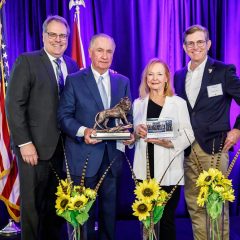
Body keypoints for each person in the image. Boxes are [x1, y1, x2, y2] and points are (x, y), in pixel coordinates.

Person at [5, 15, 79, 240]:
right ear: (44, 36)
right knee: (33, 206)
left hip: (64, 148)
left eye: (63, 36)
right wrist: (24, 143)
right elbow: (13, 104)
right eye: (53, 35)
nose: (58, 40)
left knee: (57, 205)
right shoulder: (28, 61)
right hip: (33, 148)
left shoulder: (72, 64)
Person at [57, 33, 133, 240]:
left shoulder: (122, 81)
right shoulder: (74, 80)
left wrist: (130, 136)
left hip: (112, 158)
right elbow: (63, 116)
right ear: (90, 52)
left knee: (109, 214)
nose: (104, 55)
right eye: (100, 50)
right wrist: (84, 132)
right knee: (83, 216)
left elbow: (129, 118)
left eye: (109, 51)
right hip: (82, 158)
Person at [174, 25, 240, 240]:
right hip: (187, 149)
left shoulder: (223, 70)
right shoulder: (178, 75)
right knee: (194, 204)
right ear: (184, 47)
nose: (196, 47)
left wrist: (238, 129)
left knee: (216, 205)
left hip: (214, 148)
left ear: (208, 44)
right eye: (190, 43)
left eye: (200, 42)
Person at [131, 58, 194, 240]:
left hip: (170, 170)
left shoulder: (178, 103)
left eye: (159, 74)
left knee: (166, 219)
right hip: (145, 171)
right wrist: (135, 133)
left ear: (167, 78)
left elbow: (189, 134)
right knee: (147, 219)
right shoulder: (138, 104)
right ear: (146, 78)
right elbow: (133, 139)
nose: (155, 78)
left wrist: (171, 143)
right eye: (150, 74)